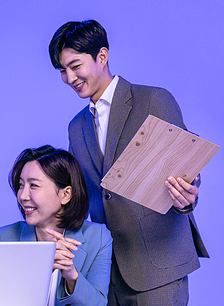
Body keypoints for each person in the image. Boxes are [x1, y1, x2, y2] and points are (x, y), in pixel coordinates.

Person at [48, 20, 209, 305]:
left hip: (158, 266)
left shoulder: (152, 100)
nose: (69, 78)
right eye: (62, 71)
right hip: (108, 270)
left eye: (75, 66)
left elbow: (185, 166)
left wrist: (188, 193)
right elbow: (85, 196)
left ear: (102, 56)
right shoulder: (76, 127)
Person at [0, 145, 112, 306]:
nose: (22, 196)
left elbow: (98, 303)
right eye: (21, 185)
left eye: (33, 185)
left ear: (65, 194)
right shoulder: (2, 238)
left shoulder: (98, 238)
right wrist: (38, 265)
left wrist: (71, 275)